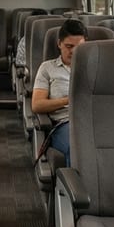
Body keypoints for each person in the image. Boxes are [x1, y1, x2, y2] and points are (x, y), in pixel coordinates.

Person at [31, 19, 86, 165]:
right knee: (77, 148)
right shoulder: (47, 68)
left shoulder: (94, 67)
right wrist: (69, 100)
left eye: (79, 47)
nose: (73, 51)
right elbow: (37, 105)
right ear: (59, 43)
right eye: (69, 46)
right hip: (64, 123)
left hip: (92, 121)